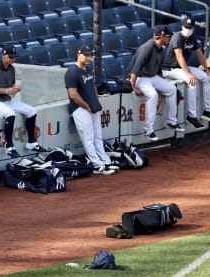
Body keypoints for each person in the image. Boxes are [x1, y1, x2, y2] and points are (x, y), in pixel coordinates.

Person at [0, 44, 47, 158]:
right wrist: (8, 90)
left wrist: (14, 89)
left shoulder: (12, 69)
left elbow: (10, 86)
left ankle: (31, 142)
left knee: (32, 111)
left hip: (5, 100)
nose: (13, 59)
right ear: (4, 55)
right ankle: (9, 147)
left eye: (14, 57)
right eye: (10, 57)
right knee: (10, 113)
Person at [64, 45, 119, 176]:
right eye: (86, 55)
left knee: (98, 137)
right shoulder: (72, 72)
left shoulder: (88, 69)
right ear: (78, 55)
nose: (88, 57)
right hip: (80, 109)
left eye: (89, 55)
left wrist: (95, 102)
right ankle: (97, 165)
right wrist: (86, 106)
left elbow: (92, 86)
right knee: (88, 138)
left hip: (92, 107)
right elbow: (73, 94)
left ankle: (105, 161)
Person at [129, 25, 184, 142]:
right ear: (162, 36)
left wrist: (163, 84)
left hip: (152, 76)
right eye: (168, 37)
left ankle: (171, 121)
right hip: (140, 77)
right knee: (153, 95)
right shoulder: (148, 47)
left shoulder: (160, 48)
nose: (170, 39)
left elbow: (158, 71)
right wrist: (133, 86)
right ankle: (148, 129)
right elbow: (135, 69)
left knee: (171, 89)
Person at [162, 16, 210, 128]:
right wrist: (189, 74)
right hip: (170, 68)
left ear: (193, 28)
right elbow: (179, 56)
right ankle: (191, 115)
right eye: (186, 27)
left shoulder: (192, 36)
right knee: (192, 81)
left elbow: (199, 54)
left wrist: (207, 70)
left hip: (181, 67)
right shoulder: (177, 36)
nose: (188, 29)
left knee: (206, 77)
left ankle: (207, 110)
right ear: (182, 26)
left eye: (190, 27)